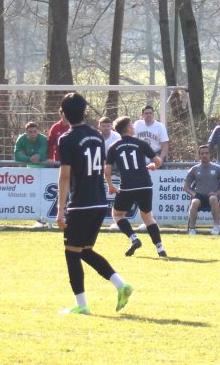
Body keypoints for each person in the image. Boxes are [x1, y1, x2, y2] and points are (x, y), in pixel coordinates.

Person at [55, 92, 133, 315]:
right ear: (84, 111)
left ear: (63, 113)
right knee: (85, 251)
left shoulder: (66, 139)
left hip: (81, 204)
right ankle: (121, 285)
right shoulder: (98, 136)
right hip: (99, 202)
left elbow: (65, 176)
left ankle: (81, 305)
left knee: (72, 253)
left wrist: (60, 210)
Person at [105, 116, 166, 258]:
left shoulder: (113, 147)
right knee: (147, 217)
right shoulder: (140, 143)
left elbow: (107, 171)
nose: (134, 126)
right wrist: (153, 165)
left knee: (117, 214)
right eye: (131, 124)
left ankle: (134, 238)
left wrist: (111, 185)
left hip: (127, 186)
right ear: (128, 128)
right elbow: (158, 162)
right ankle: (160, 248)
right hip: (145, 185)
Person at [184, 145, 220, 235]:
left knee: (213, 199)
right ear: (199, 155)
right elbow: (186, 187)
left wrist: (217, 193)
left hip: (212, 195)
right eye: (202, 153)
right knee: (194, 202)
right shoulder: (194, 169)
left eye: (206, 153)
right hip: (199, 195)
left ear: (210, 154)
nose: (204, 155)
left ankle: (216, 227)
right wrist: (193, 194)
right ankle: (192, 229)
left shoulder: (217, 168)